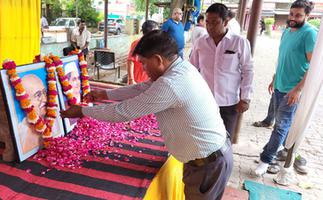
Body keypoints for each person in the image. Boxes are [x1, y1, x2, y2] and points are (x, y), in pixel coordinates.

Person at [61, 30, 233, 200]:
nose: (142, 68)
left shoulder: (170, 84)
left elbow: (123, 112)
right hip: (207, 158)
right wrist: (105, 95)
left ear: (158, 59)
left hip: (208, 164)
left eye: (143, 63)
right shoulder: (179, 68)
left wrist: (82, 111)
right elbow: (140, 88)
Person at [254, 0, 317, 176]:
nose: (293, 18)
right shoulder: (287, 32)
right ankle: (288, 152)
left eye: (298, 15)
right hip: (280, 86)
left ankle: (266, 159)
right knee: (284, 126)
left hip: (292, 90)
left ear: (307, 16)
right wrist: (274, 78)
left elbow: (314, 67)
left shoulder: (310, 34)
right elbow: (283, 57)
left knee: (280, 126)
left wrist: (298, 89)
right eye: (291, 14)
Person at [190, 3, 254, 140]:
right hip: (205, 100)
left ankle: (224, 162)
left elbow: (248, 70)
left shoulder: (239, 42)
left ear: (225, 22)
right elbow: (192, 69)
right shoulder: (200, 42)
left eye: (215, 22)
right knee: (205, 138)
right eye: (207, 22)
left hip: (229, 102)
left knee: (225, 140)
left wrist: (245, 98)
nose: (210, 26)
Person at [17, 74, 62, 154]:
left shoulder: (57, 119)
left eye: (44, 92)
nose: (44, 99)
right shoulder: (20, 132)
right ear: (25, 102)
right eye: (38, 95)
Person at [127, 20, 158, 85]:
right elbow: (130, 61)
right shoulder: (137, 43)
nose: (158, 33)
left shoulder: (155, 44)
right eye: (156, 31)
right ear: (151, 31)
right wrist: (131, 79)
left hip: (149, 81)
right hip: (137, 81)